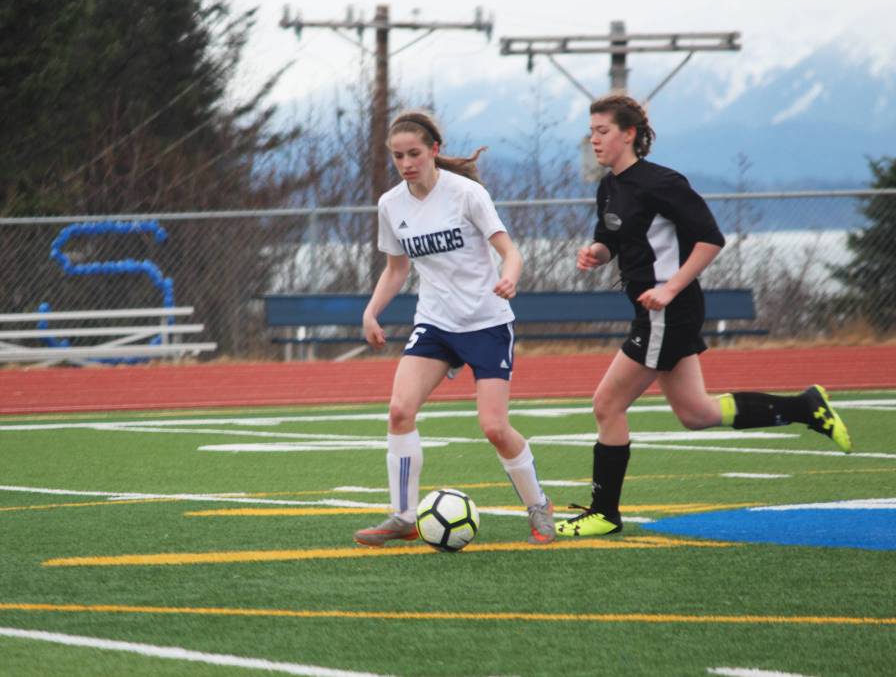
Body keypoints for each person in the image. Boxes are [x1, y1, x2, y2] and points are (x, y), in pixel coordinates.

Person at [556, 94, 853, 538]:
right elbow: (611, 240)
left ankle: (604, 513)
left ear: (629, 134)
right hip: (654, 311)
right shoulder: (610, 186)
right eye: (591, 131)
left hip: (668, 312)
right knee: (696, 413)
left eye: (602, 131)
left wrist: (670, 287)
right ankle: (804, 407)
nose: (594, 139)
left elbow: (711, 239)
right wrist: (596, 253)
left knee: (607, 404)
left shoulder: (663, 183)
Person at [353, 110, 556, 547]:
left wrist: (510, 277)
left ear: (434, 151)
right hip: (436, 323)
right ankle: (404, 516)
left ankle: (539, 506)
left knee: (494, 428)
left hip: (486, 323)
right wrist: (371, 312)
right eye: (398, 156)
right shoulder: (391, 205)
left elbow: (510, 252)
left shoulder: (466, 194)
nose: (406, 163)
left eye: (414, 153)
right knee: (399, 411)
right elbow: (396, 269)